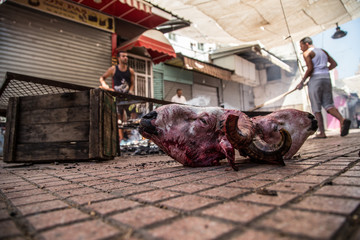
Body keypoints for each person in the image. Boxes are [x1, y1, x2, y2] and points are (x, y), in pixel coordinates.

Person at [296, 37, 351, 138]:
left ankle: (322, 133)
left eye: (301, 46)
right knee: (328, 105)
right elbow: (334, 64)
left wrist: (302, 82)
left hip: (315, 80)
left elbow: (310, 68)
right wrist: (324, 70)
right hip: (326, 78)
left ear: (307, 44)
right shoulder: (323, 51)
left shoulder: (307, 53)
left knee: (316, 107)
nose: (301, 48)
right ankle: (342, 120)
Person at [99, 51, 135, 142]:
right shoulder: (113, 69)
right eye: (123, 56)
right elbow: (102, 78)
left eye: (126, 56)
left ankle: (132, 139)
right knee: (119, 119)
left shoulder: (130, 71)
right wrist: (105, 86)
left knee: (132, 118)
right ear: (119, 58)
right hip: (117, 98)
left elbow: (132, 83)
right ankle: (121, 139)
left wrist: (130, 90)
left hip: (127, 98)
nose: (125, 58)